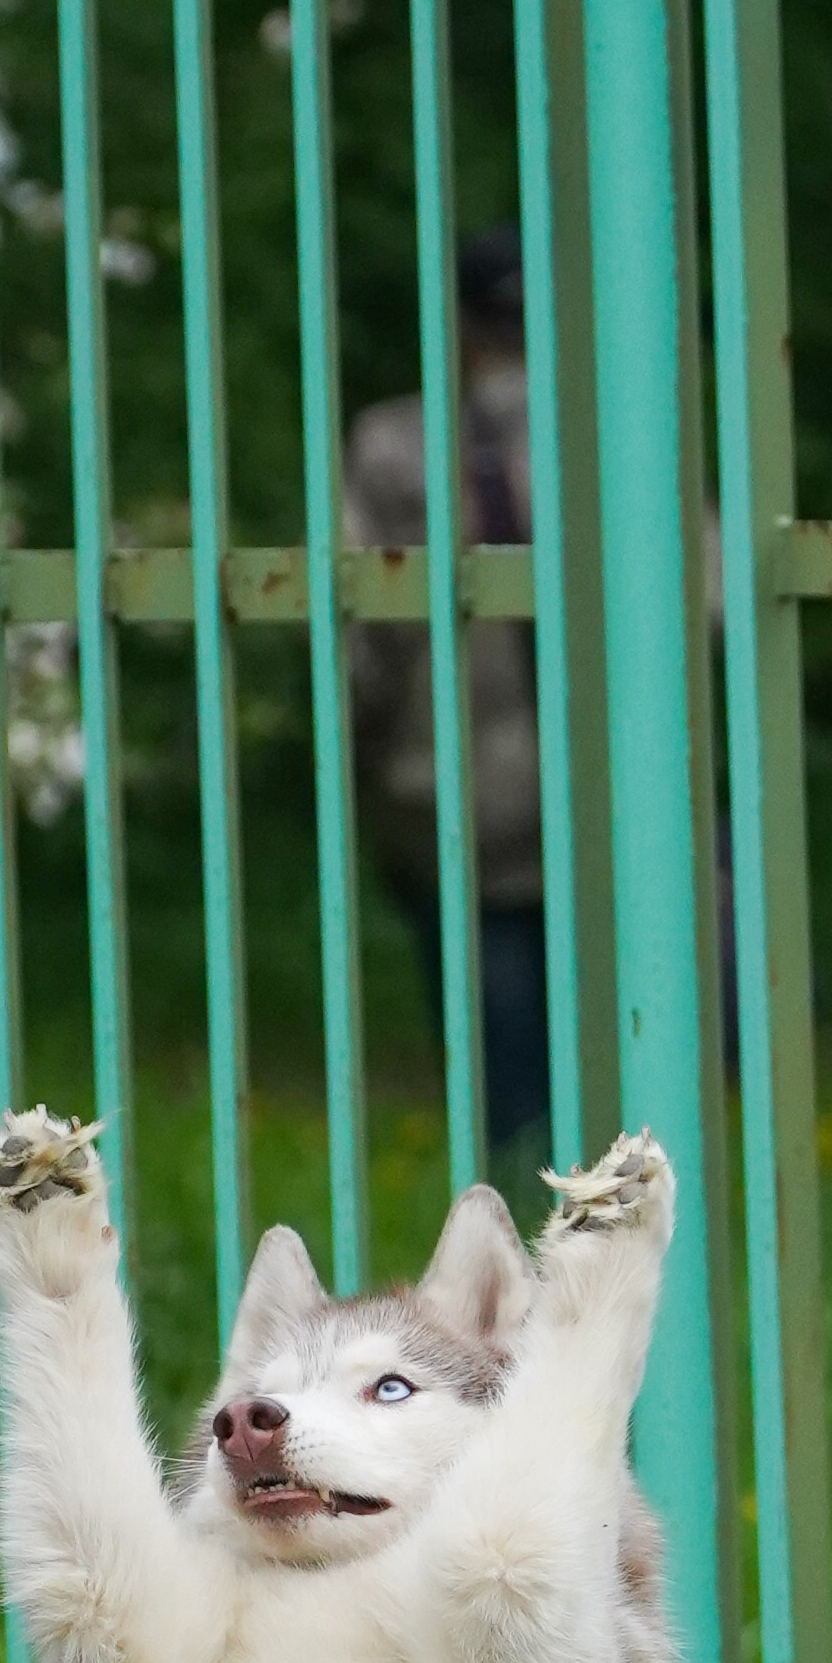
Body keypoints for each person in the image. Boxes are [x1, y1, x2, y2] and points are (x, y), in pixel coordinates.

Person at [345, 226, 553, 1153]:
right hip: (609, 790)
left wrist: (360, 763)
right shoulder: (612, 427)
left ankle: (510, 1224)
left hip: (448, 788)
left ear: (460, 327)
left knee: (494, 1064)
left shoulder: (395, 445)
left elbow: (360, 638)